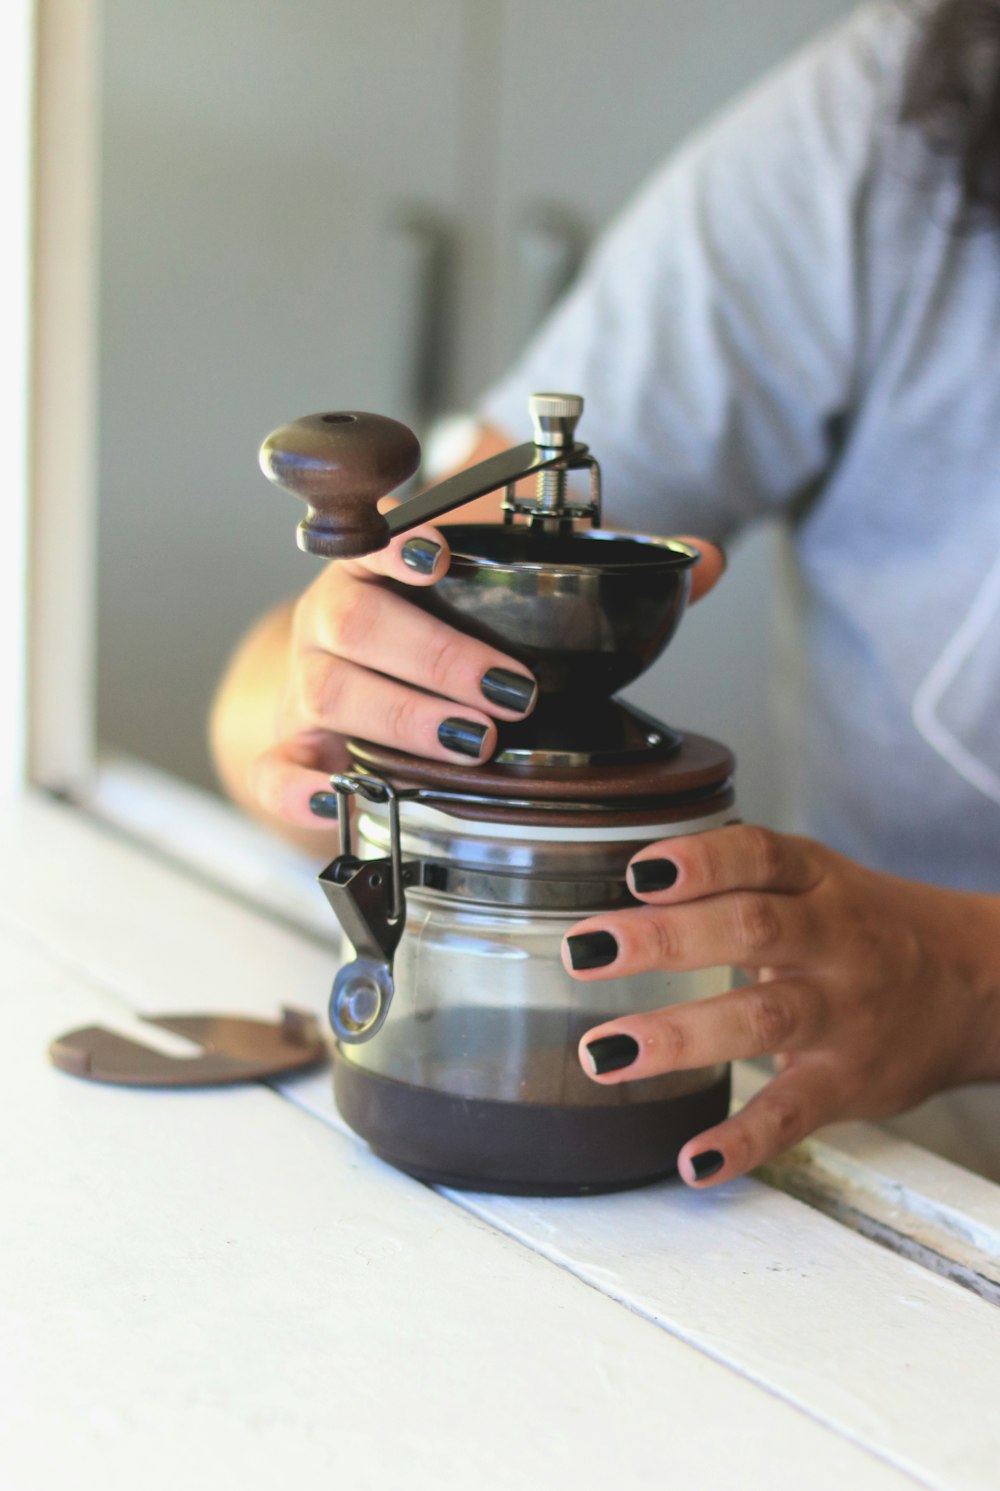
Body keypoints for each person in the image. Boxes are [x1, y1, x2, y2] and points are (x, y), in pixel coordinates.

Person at [211, 0, 1000, 1188]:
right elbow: (265, 697)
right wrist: (326, 699)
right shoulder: (901, 122)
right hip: (903, 1181)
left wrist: (971, 982)